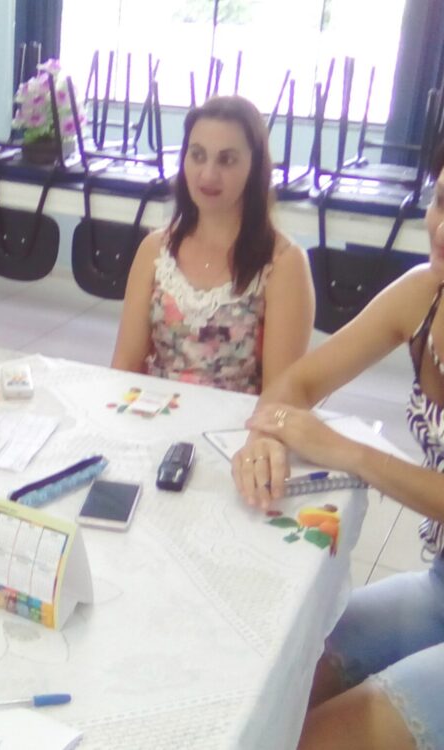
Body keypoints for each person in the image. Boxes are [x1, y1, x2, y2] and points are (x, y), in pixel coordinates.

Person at [233, 138, 444, 750]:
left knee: (314, 739)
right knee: (270, 685)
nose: (440, 229)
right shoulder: (424, 292)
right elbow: (298, 382)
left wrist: (347, 452)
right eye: (440, 202)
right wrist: (265, 437)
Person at [111, 95, 314, 394]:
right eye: (197, 155)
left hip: (239, 421)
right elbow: (125, 365)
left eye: (227, 160)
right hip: (155, 413)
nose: (208, 174)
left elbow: (279, 396)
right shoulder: (155, 249)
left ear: (254, 167)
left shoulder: (284, 263)